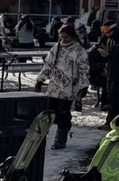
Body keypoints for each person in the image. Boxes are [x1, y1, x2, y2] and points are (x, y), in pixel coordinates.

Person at [35, 21, 90, 149]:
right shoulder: (56, 48)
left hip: (69, 88)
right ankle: (41, 137)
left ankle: (60, 138)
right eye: (62, 37)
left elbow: (84, 69)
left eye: (67, 37)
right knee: (49, 112)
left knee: (63, 113)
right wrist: (40, 80)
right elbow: (48, 65)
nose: (64, 40)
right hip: (54, 85)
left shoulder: (79, 50)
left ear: (72, 37)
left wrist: (84, 86)